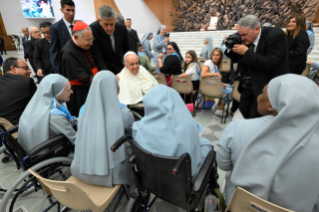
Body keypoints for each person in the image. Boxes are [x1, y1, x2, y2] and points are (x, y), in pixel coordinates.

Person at [217, 74, 319, 211]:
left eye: (263, 93)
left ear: (271, 106)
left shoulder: (237, 128)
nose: (258, 97)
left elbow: (224, 165)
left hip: (241, 206)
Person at [133, 85, 213, 178]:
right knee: (205, 143)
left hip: (152, 176)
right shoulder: (189, 125)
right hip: (183, 178)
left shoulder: (138, 127)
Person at [71, 71, 134, 188]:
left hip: (81, 168)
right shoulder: (124, 113)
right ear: (116, 89)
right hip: (113, 174)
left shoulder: (83, 110)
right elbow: (132, 134)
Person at [225, 15, 288, 119]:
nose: (242, 38)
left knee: (256, 117)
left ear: (257, 29)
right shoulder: (247, 39)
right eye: (240, 35)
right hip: (247, 85)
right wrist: (231, 47)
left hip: (265, 87)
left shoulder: (276, 35)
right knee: (244, 111)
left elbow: (270, 63)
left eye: (244, 34)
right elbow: (237, 59)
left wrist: (246, 52)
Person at [18, 74, 76, 153]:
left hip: (29, 149)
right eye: (68, 90)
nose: (71, 92)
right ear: (58, 95)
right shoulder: (55, 115)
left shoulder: (35, 106)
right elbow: (75, 139)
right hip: (50, 152)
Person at [59, 21, 98, 116]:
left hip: (90, 85)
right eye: (87, 40)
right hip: (79, 92)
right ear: (76, 37)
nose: (91, 43)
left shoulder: (82, 44)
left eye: (92, 39)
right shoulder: (68, 53)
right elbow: (82, 77)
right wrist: (100, 83)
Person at [90, 5, 130, 75]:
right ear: (99, 21)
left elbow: (127, 50)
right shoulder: (93, 30)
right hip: (103, 69)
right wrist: (109, 76)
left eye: (112, 24)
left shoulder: (122, 28)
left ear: (115, 19)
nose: (109, 28)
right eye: (105, 24)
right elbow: (98, 58)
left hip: (120, 67)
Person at [0, 57, 36, 125]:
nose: (30, 71)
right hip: (21, 128)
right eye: (26, 68)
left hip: (4, 130)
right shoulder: (26, 82)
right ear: (13, 68)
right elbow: (41, 104)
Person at [201, 48, 232, 116]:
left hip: (212, 85)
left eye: (217, 55)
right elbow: (203, 74)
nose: (215, 56)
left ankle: (218, 105)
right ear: (211, 55)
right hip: (209, 87)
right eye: (214, 55)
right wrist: (216, 74)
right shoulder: (209, 62)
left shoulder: (216, 65)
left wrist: (221, 84)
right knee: (231, 91)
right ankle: (220, 110)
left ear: (220, 56)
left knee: (229, 86)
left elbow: (212, 79)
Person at [50, 0, 75, 73]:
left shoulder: (78, 25)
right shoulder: (55, 28)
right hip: (66, 67)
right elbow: (54, 51)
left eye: (73, 10)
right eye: (68, 10)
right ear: (62, 10)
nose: (71, 13)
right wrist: (58, 71)